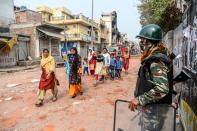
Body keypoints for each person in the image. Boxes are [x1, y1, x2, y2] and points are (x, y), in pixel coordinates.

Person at [129, 24, 173, 130]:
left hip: (154, 113)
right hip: (151, 110)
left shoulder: (156, 61)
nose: (140, 43)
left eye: (142, 41)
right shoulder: (156, 57)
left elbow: (162, 88)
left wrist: (140, 99)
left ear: (149, 42)